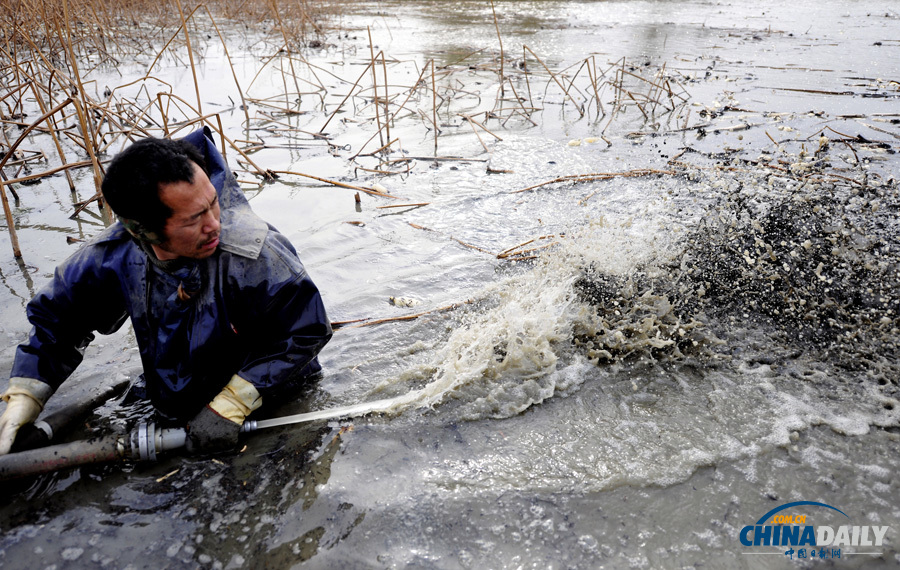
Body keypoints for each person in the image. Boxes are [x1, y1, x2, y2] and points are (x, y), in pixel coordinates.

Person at [0, 128, 332, 455]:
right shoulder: (112, 257)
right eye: (193, 220)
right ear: (143, 231)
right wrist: (25, 395)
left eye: (213, 204)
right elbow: (58, 324)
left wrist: (234, 402)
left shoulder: (253, 252)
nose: (214, 224)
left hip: (271, 396)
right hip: (179, 399)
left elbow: (306, 330)